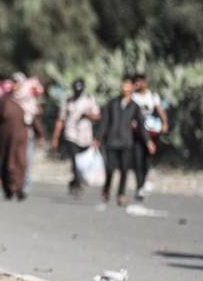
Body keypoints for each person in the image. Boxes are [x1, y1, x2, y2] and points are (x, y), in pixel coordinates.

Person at [98, 76, 153, 206]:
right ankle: (107, 188)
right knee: (110, 168)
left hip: (126, 142)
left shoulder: (135, 107)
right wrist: (98, 137)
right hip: (111, 141)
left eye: (128, 86)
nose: (125, 88)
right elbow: (104, 122)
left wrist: (148, 141)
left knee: (124, 170)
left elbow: (141, 126)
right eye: (124, 85)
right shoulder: (112, 103)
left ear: (132, 88)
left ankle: (121, 194)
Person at [52, 79, 100, 197]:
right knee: (73, 159)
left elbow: (97, 116)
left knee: (81, 161)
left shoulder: (89, 99)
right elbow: (61, 119)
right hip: (71, 134)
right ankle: (78, 184)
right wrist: (55, 137)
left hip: (85, 135)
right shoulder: (68, 101)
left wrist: (87, 115)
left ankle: (76, 180)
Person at [0, 77, 30, 201]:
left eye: (17, 83)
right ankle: (8, 188)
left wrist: (40, 134)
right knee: (7, 163)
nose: (15, 86)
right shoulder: (3, 100)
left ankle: (19, 187)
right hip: (5, 138)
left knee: (21, 162)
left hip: (21, 138)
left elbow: (34, 118)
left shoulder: (27, 100)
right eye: (13, 83)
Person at [131, 74, 168, 201]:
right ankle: (139, 186)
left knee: (146, 160)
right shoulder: (133, 96)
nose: (138, 84)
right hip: (136, 134)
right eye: (136, 82)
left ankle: (142, 184)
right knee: (136, 160)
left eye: (140, 81)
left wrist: (165, 123)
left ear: (145, 82)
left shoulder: (152, 96)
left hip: (151, 133)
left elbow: (160, 110)